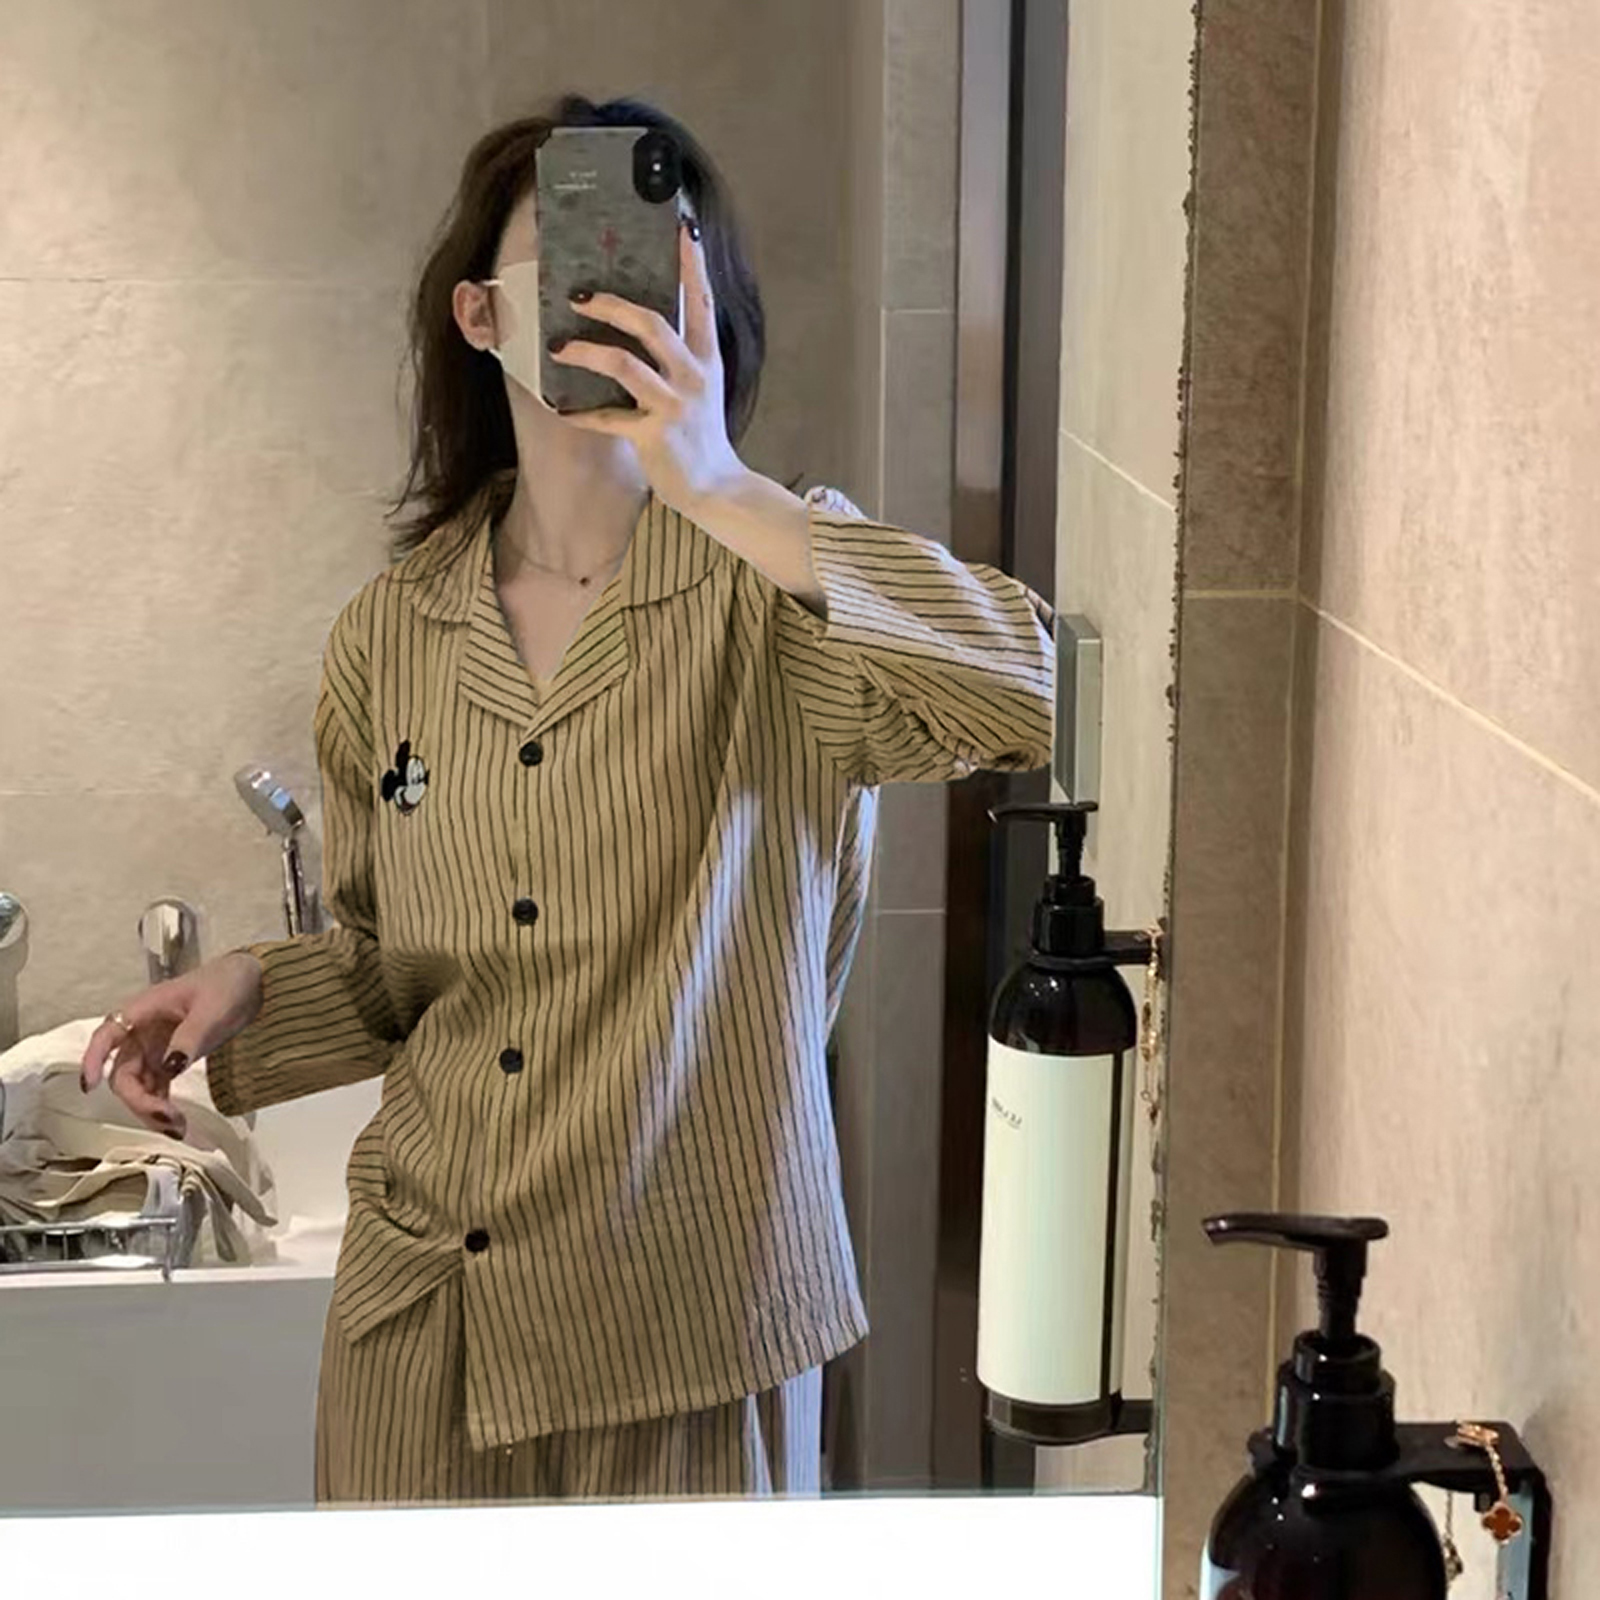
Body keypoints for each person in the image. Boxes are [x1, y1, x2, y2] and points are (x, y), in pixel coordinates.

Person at [79, 93, 1056, 1507]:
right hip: (427, 1339)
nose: (614, 298)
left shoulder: (777, 594)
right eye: (574, 259)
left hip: (692, 1337)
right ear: (480, 315)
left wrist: (718, 484)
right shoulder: (391, 635)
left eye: (655, 257)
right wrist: (250, 986)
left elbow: (1033, 694)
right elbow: (395, 973)